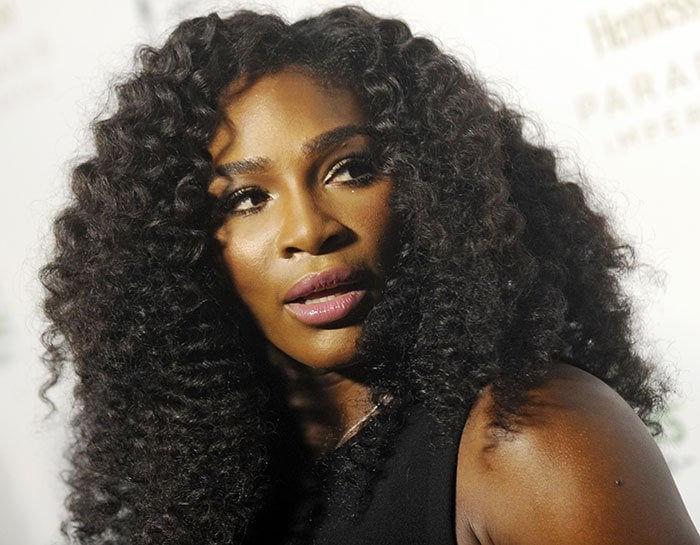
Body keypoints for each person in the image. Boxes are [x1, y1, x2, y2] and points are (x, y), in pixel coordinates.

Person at [40, 6, 699, 545]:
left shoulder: (532, 440)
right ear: (176, 250)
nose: (309, 230)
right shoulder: (218, 505)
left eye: (350, 169)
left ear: (429, 184)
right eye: (245, 199)